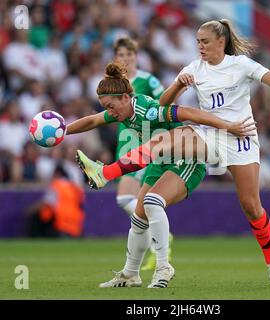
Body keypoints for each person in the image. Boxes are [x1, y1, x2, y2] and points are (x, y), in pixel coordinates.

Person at [76, 19, 270, 288]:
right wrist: (179, 84)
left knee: (251, 207)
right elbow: (162, 104)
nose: (200, 46)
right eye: (197, 41)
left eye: (204, 41)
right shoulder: (194, 68)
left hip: (240, 136)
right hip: (209, 133)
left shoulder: (240, 65)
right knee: (164, 142)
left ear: (221, 42)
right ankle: (105, 173)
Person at [68, 62, 255, 288]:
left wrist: (228, 126)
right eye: (106, 107)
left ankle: (164, 266)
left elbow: (189, 112)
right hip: (159, 163)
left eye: (110, 106)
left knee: (152, 202)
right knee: (138, 218)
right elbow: (92, 120)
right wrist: (63, 131)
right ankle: (130, 274)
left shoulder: (148, 111)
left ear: (126, 98)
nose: (109, 112)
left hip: (185, 161)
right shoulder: (120, 112)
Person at [113, 37, 169, 271]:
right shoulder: (114, 83)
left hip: (144, 142)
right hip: (125, 142)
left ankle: (160, 239)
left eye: (129, 54)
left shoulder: (147, 79)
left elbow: (163, 103)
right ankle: (157, 236)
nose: (126, 58)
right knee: (132, 203)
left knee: (126, 199)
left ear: (136, 56)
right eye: (121, 55)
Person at [26, 164, 86, 238]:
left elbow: (47, 203)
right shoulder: (74, 187)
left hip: (60, 225)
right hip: (76, 226)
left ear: (57, 173)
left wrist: (30, 210)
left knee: (37, 216)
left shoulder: (56, 185)